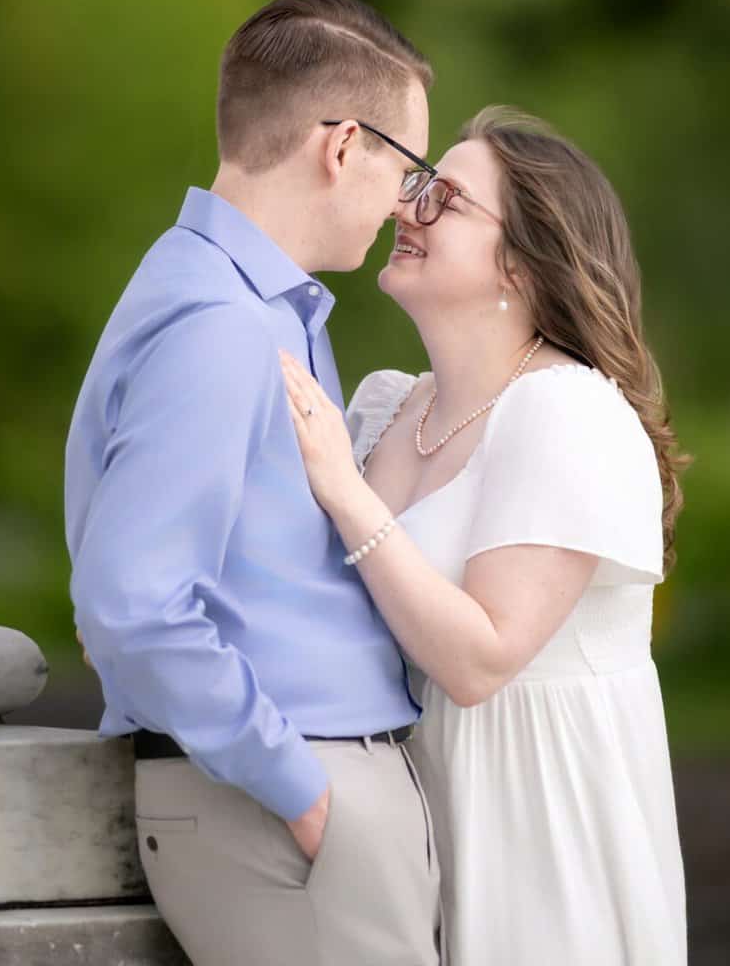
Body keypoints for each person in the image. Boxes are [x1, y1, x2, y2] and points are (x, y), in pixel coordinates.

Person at [66, 0, 442, 965]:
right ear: (342, 146)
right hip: (279, 804)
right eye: (408, 169)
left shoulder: (251, 305)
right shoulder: (221, 324)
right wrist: (303, 795)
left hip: (291, 800)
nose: (407, 203)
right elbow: (132, 602)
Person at [278, 105, 691, 964]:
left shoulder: (569, 413)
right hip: (410, 809)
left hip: (539, 820)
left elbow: (480, 658)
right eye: (416, 186)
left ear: (524, 263)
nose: (405, 208)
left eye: (445, 198)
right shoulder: (391, 407)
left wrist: (344, 493)